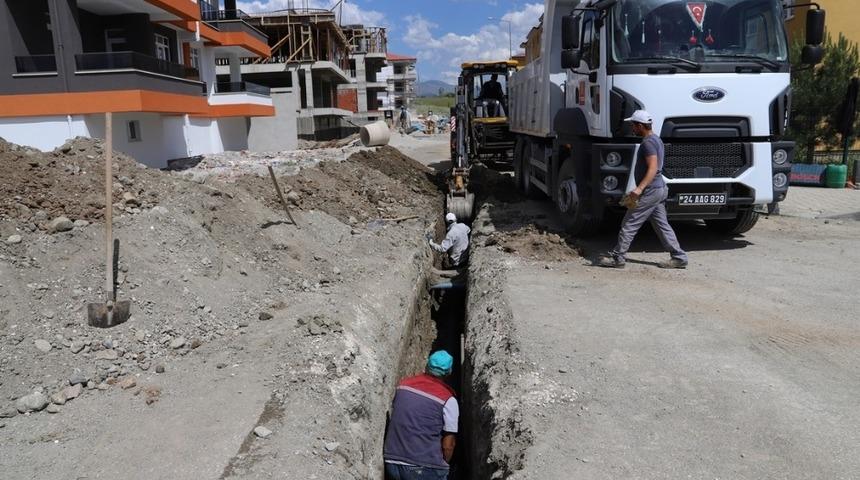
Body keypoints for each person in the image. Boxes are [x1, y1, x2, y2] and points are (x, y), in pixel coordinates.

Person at [599, 110, 688, 269]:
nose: (632, 128)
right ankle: (679, 257)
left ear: (640, 125)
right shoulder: (657, 140)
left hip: (651, 191)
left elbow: (653, 168)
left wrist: (639, 189)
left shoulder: (647, 143)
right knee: (662, 225)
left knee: (629, 223)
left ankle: (618, 258)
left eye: (633, 125)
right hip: (659, 189)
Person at [383, 350, 459, 480]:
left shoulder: (403, 385)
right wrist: (444, 464)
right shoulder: (448, 399)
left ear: (427, 365)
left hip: (392, 462)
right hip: (423, 467)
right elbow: (448, 445)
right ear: (449, 372)